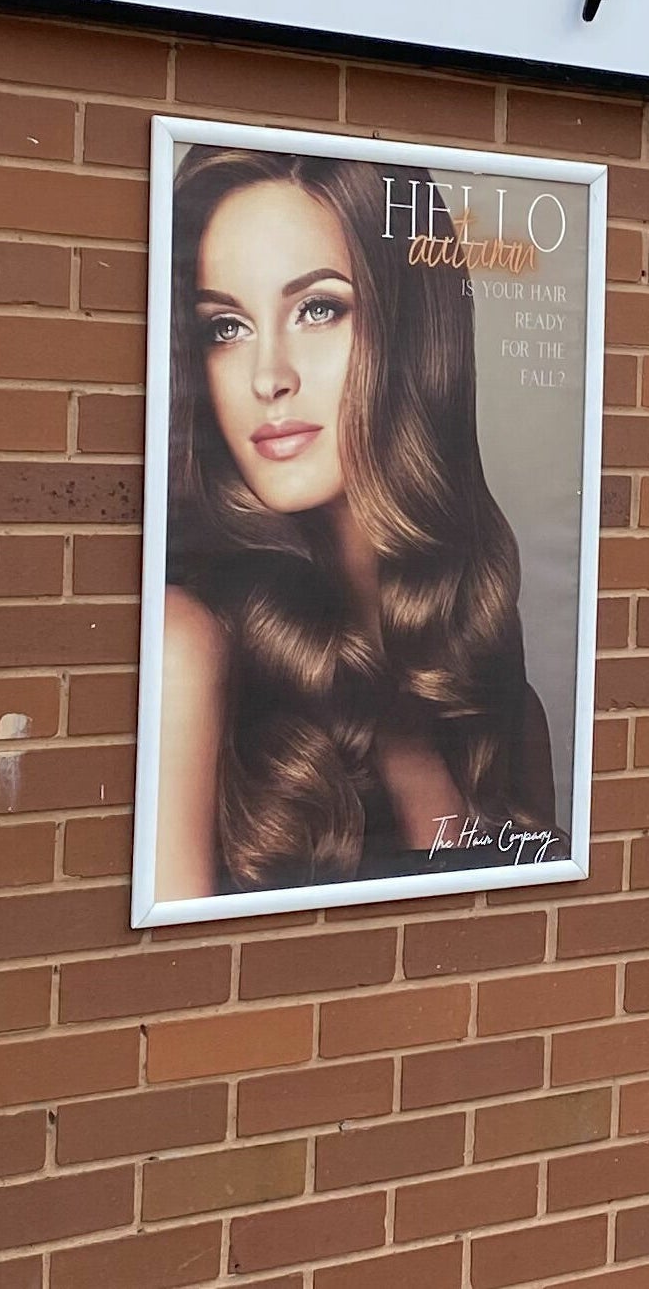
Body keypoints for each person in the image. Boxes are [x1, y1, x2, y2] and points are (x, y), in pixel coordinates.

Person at [152, 145, 557, 898]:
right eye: (225, 327)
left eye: (317, 309)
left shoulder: (499, 707)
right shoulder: (187, 652)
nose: (268, 376)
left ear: (410, 335)